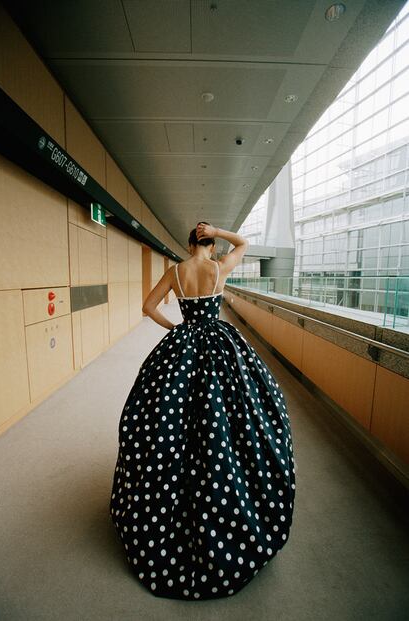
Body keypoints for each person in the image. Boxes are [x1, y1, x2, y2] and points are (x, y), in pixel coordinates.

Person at [109, 222, 296, 600]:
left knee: (169, 420)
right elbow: (244, 243)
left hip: (183, 345)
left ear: (189, 242)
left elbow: (148, 307)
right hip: (218, 344)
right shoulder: (219, 268)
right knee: (232, 417)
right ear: (209, 243)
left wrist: (174, 328)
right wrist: (221, 230)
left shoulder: (175, 271)